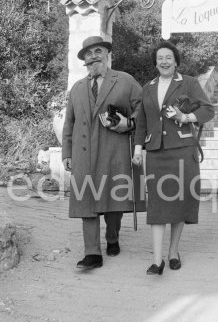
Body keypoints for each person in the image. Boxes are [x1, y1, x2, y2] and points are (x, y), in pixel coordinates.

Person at [132, 41, 214, 275]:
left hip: (183, 151)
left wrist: (186, 116)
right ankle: (157, 261)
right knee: (157, 205)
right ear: (155, 63)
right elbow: (142, 123)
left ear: (176, 61)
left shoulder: (188, 83)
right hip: (156, 153)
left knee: (179, 202)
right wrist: (138, 151)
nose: (164, 61)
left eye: (169, 57)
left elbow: (208, 111)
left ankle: (173, 252)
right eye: (160, 58)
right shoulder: (147, 87)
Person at [62, 35, 143, 270]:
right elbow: (69, 123)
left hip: (113, 151)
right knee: (87, 202)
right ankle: (92, 253)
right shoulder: (77, 89)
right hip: (83, 154)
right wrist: (67, 153)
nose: (93, 56)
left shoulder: (125, 81)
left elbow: (143, 111)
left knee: (113, 200)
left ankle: (113, 236)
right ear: (84, 60)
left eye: (98, 51)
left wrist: (128, 123)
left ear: (107, 54)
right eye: (88, 53)